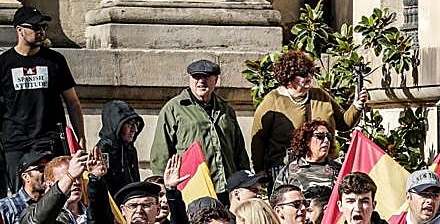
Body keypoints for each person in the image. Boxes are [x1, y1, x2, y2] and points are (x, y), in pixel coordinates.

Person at [0, 6, 84, 191]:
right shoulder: (4, 63)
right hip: (15, 142)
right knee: (20, 195)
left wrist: (81, 137)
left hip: (49, 139)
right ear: (19, 30)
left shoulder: (55, 61)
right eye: (35, 27)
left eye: (43, 27)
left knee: (56, 191)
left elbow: (73, 102)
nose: (41, 32)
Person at [250, 50, 366, 174]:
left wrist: (357, 106)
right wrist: (260, 171)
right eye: (303, 74)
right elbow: (258, 140)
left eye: (311, 73)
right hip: (287, 171)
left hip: (324, 167)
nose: (309, 77)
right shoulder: (273, 101)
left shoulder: (321, 95)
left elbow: (344, 123)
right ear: (288, 76)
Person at [149, 59, 249, 192]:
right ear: (189, 79)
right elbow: (160, 154)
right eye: (196, 77)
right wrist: (163, 190)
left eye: (207, 77)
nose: (201, 81)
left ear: (216, 79)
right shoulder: (174, 109)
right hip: (192, 188)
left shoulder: (226, 109)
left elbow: (239, 151)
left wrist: (245, 181)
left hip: (227, 189)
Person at [272, 119, 343, 194]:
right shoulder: (290, 170)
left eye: (328, 136)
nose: (326, 140)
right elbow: (278, 199)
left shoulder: (338, 170)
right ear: (307, 140)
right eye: (320, 136)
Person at [94, 101, 144, 195]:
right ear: (116, 125)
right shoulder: (103, 150)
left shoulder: (130, 149)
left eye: (136, 124)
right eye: (130, 124)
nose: (135, 129)